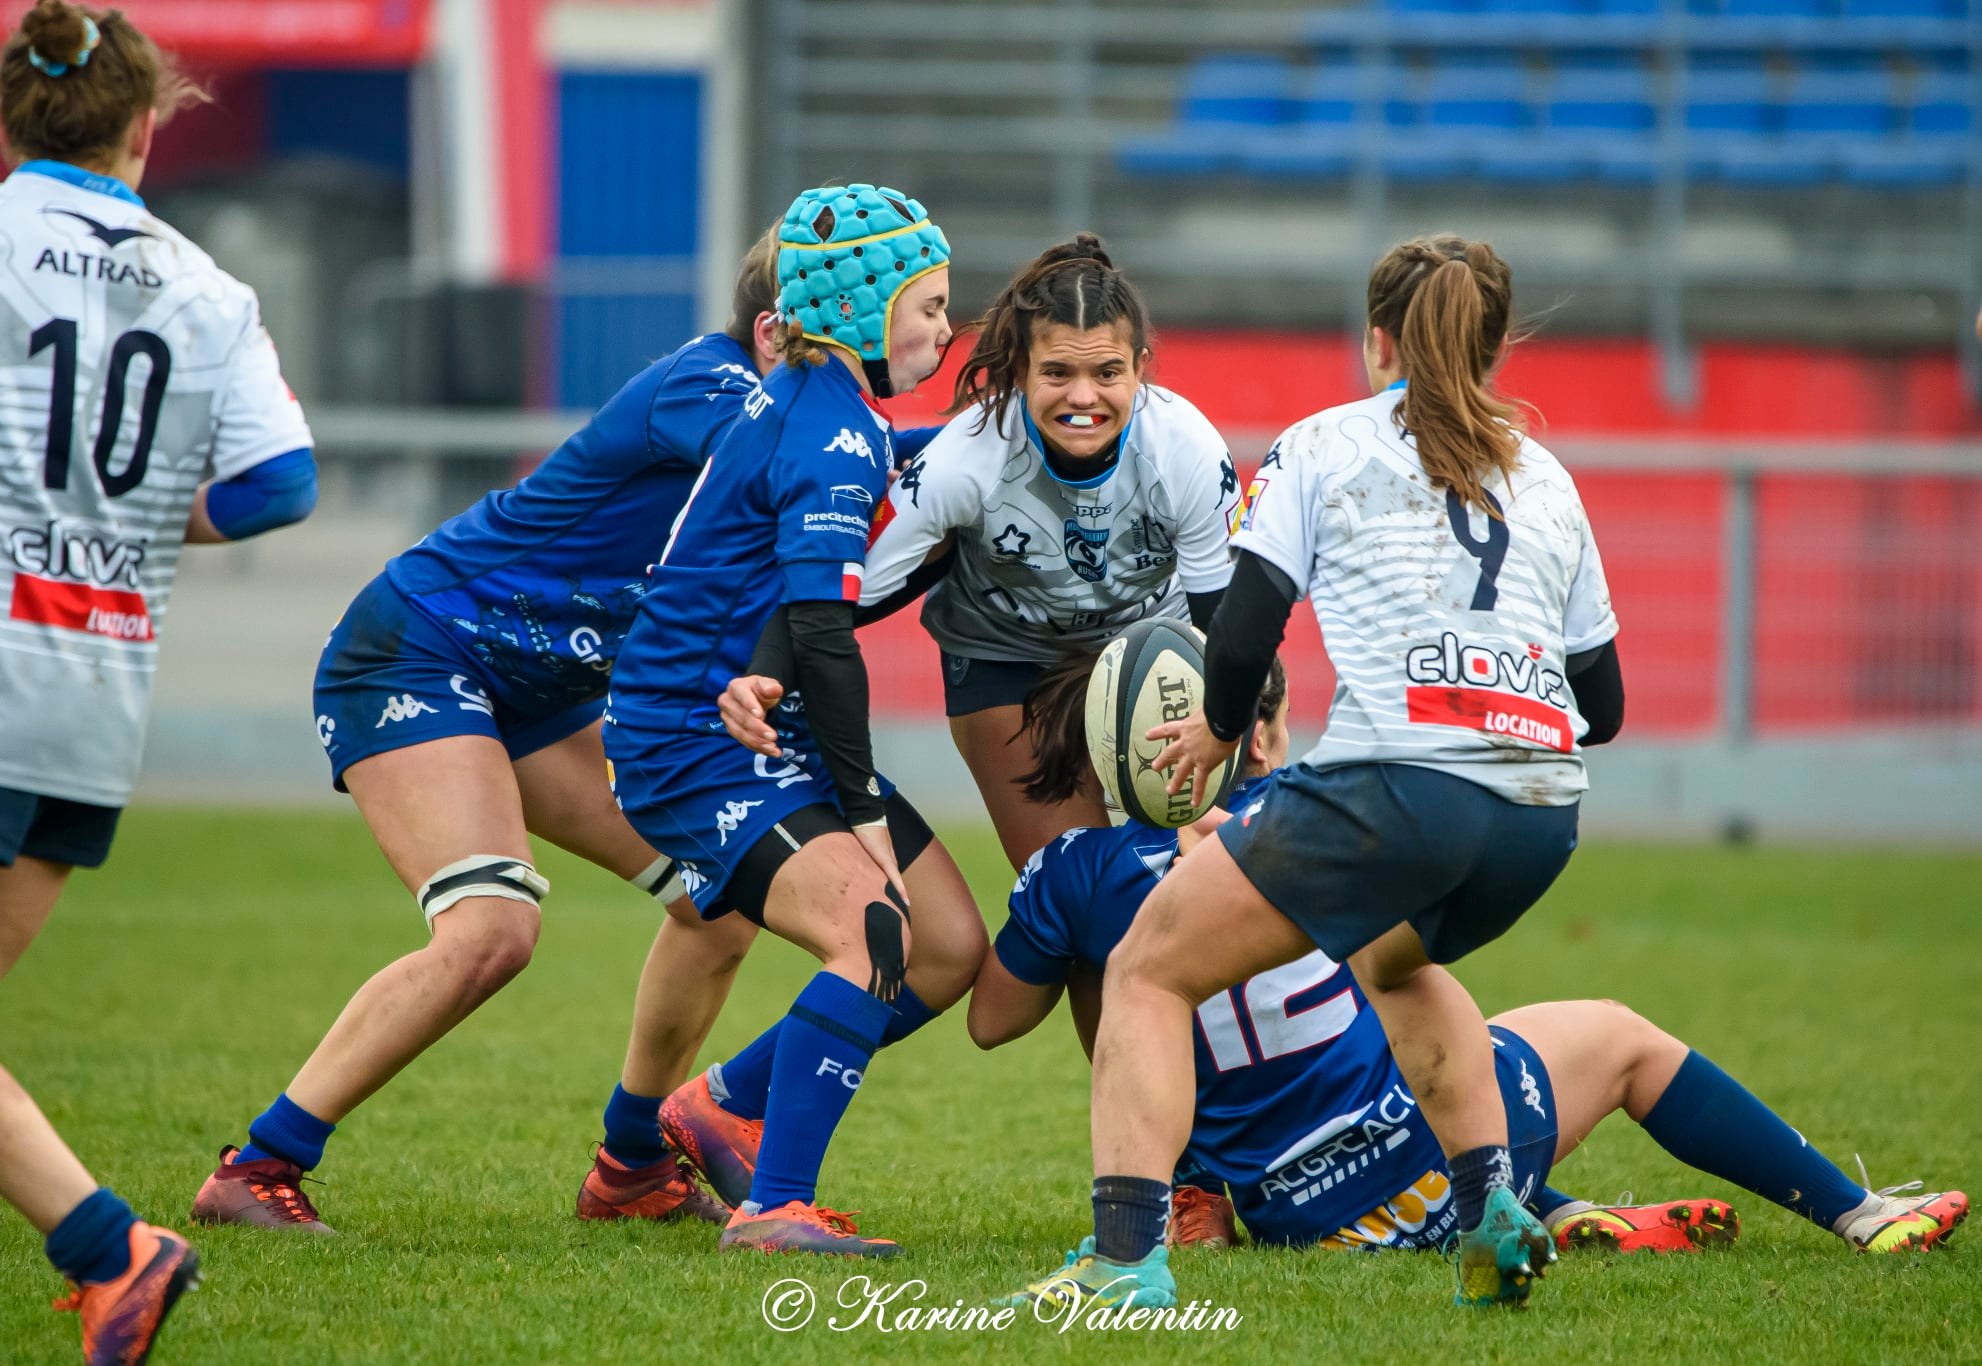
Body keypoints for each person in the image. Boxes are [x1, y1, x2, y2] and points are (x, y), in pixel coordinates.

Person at [999, 234, 1624, 1311]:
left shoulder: (1323, 442)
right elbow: (1601, 706)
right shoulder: (1546, 474)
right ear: (1490, 348)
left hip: (1399, 788)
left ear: (1374, 339)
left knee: (1147, 968)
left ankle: (1121, 1262)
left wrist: (1217, 733)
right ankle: (1490, 1217)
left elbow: (1240, 634)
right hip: (1542, 815)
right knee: (1392, 961)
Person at [191, 228, 808, 1234]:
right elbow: (782, 469)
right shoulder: (717, 387)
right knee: (490, 931)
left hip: (533, 684)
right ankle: (255, 1167)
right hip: (419, 651)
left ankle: (633, 1163)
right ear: (776, 336)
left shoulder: (791, 413)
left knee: (719, 898)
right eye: (862, 328)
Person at [969, 651, 1968, 1259]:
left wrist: (1083, 943)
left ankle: (1561, 1210)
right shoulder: (1293, 816)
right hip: (1412, 1163)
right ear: (1233, 735)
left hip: (1286, 1213)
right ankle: (1857, 1213)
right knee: (1619, 1041)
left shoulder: (1070, 871)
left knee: (1145, 987)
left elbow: (991, 1019)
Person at [0, 3, 317, 1358]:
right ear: (143, 126)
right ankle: (105, 1252)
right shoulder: (205, 283)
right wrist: (131, 526)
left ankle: (112, 1245)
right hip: (92, 683)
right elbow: (279, 483)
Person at [603, 183, 987, 1257]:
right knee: (873, 927)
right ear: (863, 314)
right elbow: (820, 637)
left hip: (753, 723)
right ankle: (775, 1206)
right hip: (693, 736)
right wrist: (862, 810)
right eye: (926, 306)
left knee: (948, 946)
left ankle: (720, 1105)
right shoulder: (831, 434)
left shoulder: (824, 401)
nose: (942, 328)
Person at [722, 233, 1245, 873]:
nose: (1084, 398)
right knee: (1080, 892)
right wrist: (763, 668)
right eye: (1057, 373)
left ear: (1139, 367)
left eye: (1108, 373)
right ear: (1019, 371)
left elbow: (1228, 622)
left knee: (1174, 899)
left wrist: (1243, 717)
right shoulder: (962, 462)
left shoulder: (1187, 450)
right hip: (1004, 660)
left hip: (1150, 657)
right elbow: (837, 594)